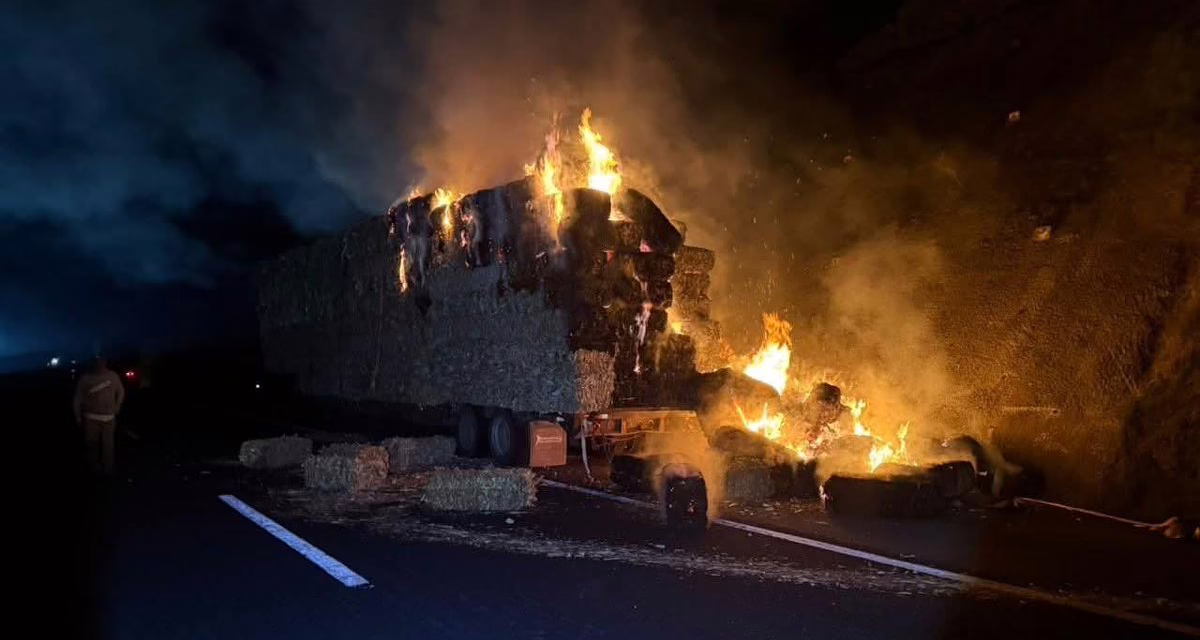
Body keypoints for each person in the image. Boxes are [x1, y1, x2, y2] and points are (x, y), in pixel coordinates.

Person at [73, 356, 125, 475]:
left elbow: (121, 391)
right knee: (92, 444)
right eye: (96, 361)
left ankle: (108, 468)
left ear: (105, 361)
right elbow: (78, 398)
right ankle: (94, 468)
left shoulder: (113, 376)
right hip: (90, 418)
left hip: (109, 418)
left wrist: (118, 405)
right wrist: (77, 415)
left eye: (101, 361)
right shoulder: (85, 378)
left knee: (108, 445)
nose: (99, 364)